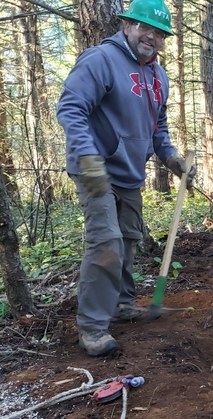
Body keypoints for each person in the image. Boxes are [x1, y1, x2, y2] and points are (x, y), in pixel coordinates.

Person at [57, 0, 194, 356]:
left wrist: (171, 157)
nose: (152, 37)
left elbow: (157, 127)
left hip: (131, 172)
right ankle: (92, 327)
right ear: (127, 25)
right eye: (145, 28)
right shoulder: (101, 60)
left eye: (160, 32)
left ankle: (120, 304)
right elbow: (71, 107)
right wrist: (87, 155)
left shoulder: (159, 75)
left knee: (128, 240)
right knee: (105, 243)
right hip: (96, 168)